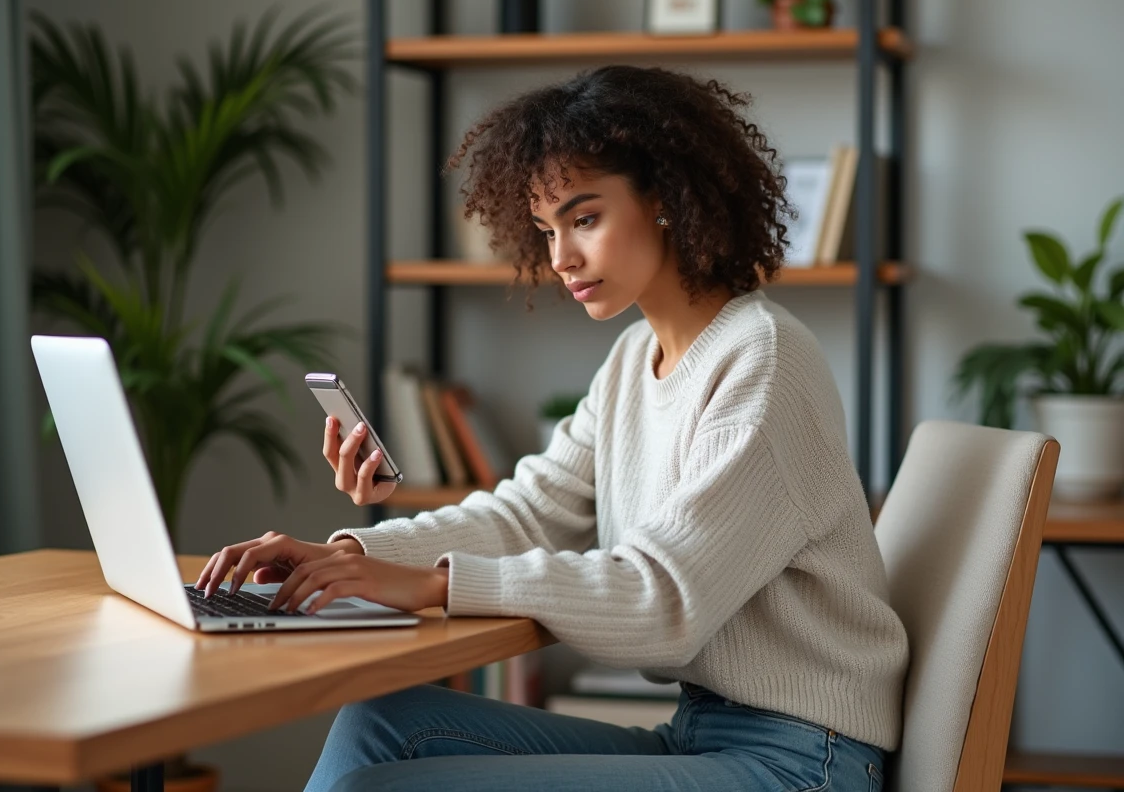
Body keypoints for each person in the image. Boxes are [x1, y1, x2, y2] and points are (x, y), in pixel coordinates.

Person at [196, 65, 909, 792]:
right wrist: (347, 555)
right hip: (701, 733)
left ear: (665, 197)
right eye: (545, 230)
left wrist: (430, 586)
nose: (560, 258)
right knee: (378, 724)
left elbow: (662, 601)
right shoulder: (635, 358)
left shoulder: (764, 360)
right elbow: (527, 514)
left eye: (585, 218)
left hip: (802, 763)